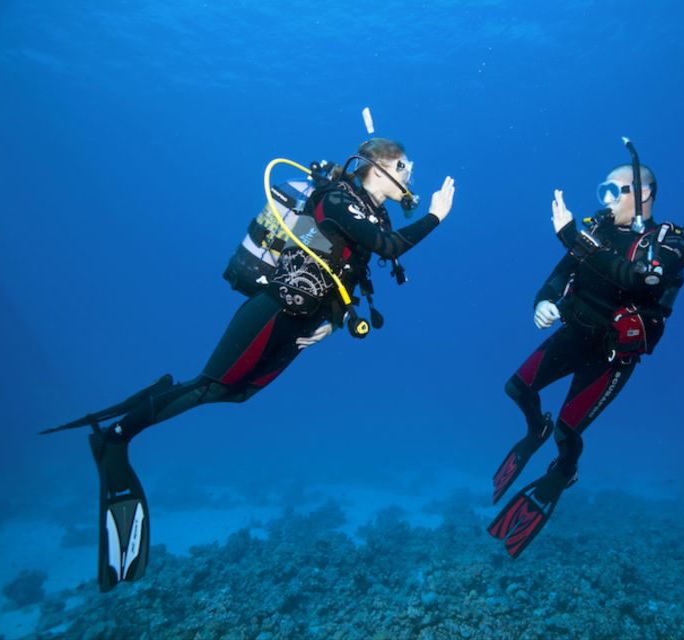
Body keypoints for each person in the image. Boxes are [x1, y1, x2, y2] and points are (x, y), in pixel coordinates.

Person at [41, 138, 456, 591]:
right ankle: (116, 439)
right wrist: (436, 215)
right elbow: (389, 247)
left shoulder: (375, 212)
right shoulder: (336, 198)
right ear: (380, 167)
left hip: (300, 322)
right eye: (404, 165)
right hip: (272, 309)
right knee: (209, 385)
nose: (411, 174)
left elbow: (345, 269)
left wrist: (334, 321)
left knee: (236, 393)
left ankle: (159, 392)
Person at [488, 141, 684, 558]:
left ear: (643, 194)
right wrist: (542, 302)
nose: (605, 200)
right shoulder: (595, 231)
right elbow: (561, 272)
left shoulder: (667, 243)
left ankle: (565, 470)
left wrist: (572, 238)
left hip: (611, 355)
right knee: (517, 389)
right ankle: (534, 430)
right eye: (603, 190)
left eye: (613, 190)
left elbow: (637, 279)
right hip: (573, 334)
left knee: (568, 431)